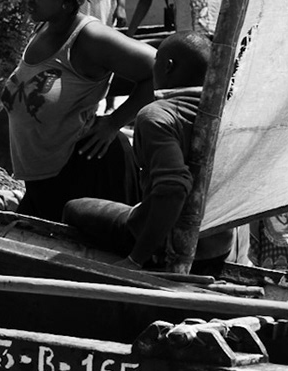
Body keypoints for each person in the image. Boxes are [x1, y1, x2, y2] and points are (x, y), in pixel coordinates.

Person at [0, 0, 159, 221]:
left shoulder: (89, 38)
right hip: (45, 179)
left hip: (88, 171)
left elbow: (159, 68)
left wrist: (114, 122)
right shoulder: (44, 27)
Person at [63, 32, 232, 273]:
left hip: (170, 247)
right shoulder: (228, 113)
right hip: (218, 247)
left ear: (167, 66)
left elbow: (173, 189)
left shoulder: (157, 115)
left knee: (74, 208)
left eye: (156, 62)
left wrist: (136, 259)